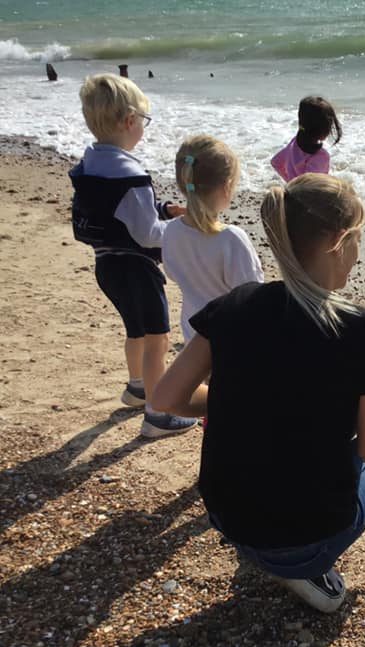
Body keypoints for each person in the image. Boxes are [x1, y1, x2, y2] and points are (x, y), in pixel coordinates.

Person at [153, 173, 365, 613]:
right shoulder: (361, 329)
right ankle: (311, 569)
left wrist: (244, 403)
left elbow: (165, 399)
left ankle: (279, 551)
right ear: (337, 240)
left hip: (227, 518)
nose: (359, 253)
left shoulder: (235, 305)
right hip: (301, 543)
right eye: (358, 239)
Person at [69, 73, 197, 438]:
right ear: (129, 121)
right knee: (157, 338)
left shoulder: (91, 164)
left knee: (136, 330)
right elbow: (146, 233)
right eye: (144, 120)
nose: (144, 128)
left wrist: (162, 208)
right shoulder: (132, 174)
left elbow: (123, 212)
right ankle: (158, 415)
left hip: (106, 264)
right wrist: (177, 230)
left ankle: (137, 387)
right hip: (138, 267)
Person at [162, 135, 264, 343]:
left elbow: (172, 272)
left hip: (193, 330)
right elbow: (250, 292)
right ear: (227, 187)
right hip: (230, 334)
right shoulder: (231, 238)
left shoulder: (171, 230)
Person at [271, 96, 342, 181]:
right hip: (310, 194)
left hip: (294, 191)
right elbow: (310, 185)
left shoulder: (294, 143)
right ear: (323, 129)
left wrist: (290, 182)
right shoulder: (320, 156)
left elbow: (275, 162)